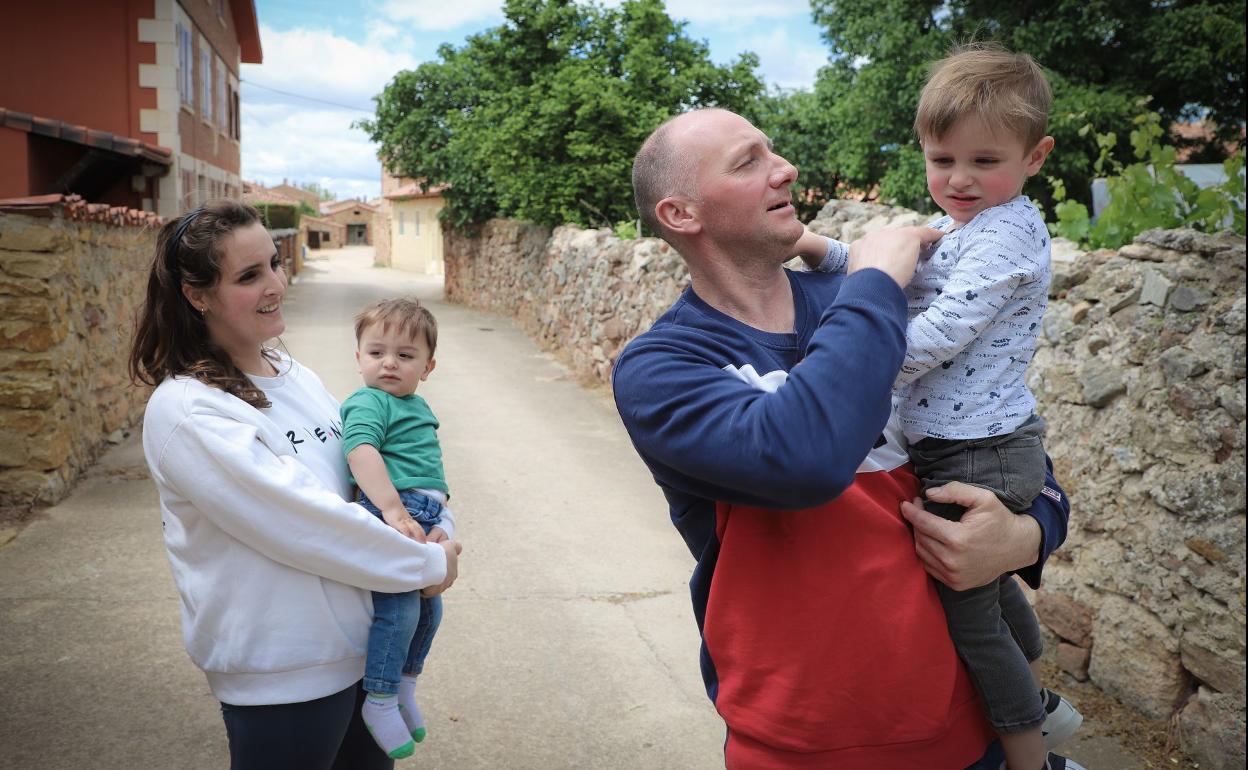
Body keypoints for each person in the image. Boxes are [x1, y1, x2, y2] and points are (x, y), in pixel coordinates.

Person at [613, 107, 1076, 770]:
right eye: (748, 161)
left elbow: (998, 432)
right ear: (682, 214)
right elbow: (805, 457)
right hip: (804, 744)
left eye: (773, 149)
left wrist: (1028, 532)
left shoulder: (868, 303)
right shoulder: (662, 368)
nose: (785, 168)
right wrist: (875, 280)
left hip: (968, 729)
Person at [795, 44, 1079, 770]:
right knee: (983, 580)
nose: (958, 179)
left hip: (980, 450)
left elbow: (940, 332)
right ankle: (1043, 699)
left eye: (984, 161)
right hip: (963, 440)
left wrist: (854, 356)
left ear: (1035, 156)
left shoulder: (1008, 234)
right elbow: (884, 266)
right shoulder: (962, 225)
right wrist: (810, 245)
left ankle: (1028, 752)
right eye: (941, 158)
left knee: (970, 614)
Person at [130, 200, 462, 770]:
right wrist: (429, 565)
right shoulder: (189, 411)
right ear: (196, 294)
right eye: (249, 275)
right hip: (282, 675)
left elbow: (363, 476)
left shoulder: (292, 375)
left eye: (274, 264)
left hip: (357, 655)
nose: (275, 284)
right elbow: (304, 523)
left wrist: (437, 526)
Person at [340, 297, 455, 759]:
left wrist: (443, 518)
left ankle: (406, 684)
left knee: (430, 611)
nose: (389, 363)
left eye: (405, 356)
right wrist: (391, 510)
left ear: (427, 367)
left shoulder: (414, 405)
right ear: (359, 358)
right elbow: (360, 450)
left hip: (422, 513)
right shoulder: (368, 401)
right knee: (399, 609)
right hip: (394, 510)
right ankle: (380, 698)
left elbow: (428, 468)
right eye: (376, 352)